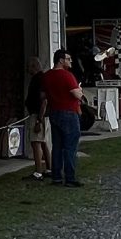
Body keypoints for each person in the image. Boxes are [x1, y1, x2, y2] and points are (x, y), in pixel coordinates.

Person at [42, 48, 86, 186]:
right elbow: (77, 94)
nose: (71, 61)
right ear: (61, 60)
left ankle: (56, 177)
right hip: (69, 113)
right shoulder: (67, 75)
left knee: (57, 146)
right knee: (70, 147)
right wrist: (80, 90)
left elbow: (42, 96)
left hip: (54, 112)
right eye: (68, 59)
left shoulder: (47, 76)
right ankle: (70, 178)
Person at [22, 57, 50, 181]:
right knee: (44, 142)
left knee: (36, 142)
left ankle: (38, 171)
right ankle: (49, 168)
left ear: (34, 66)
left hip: (38, 114)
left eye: (29, 66)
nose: (27, 69)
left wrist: (39, 120)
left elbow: (43, 101)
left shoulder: (38, 79)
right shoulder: (42, 78)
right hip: (43, 114)